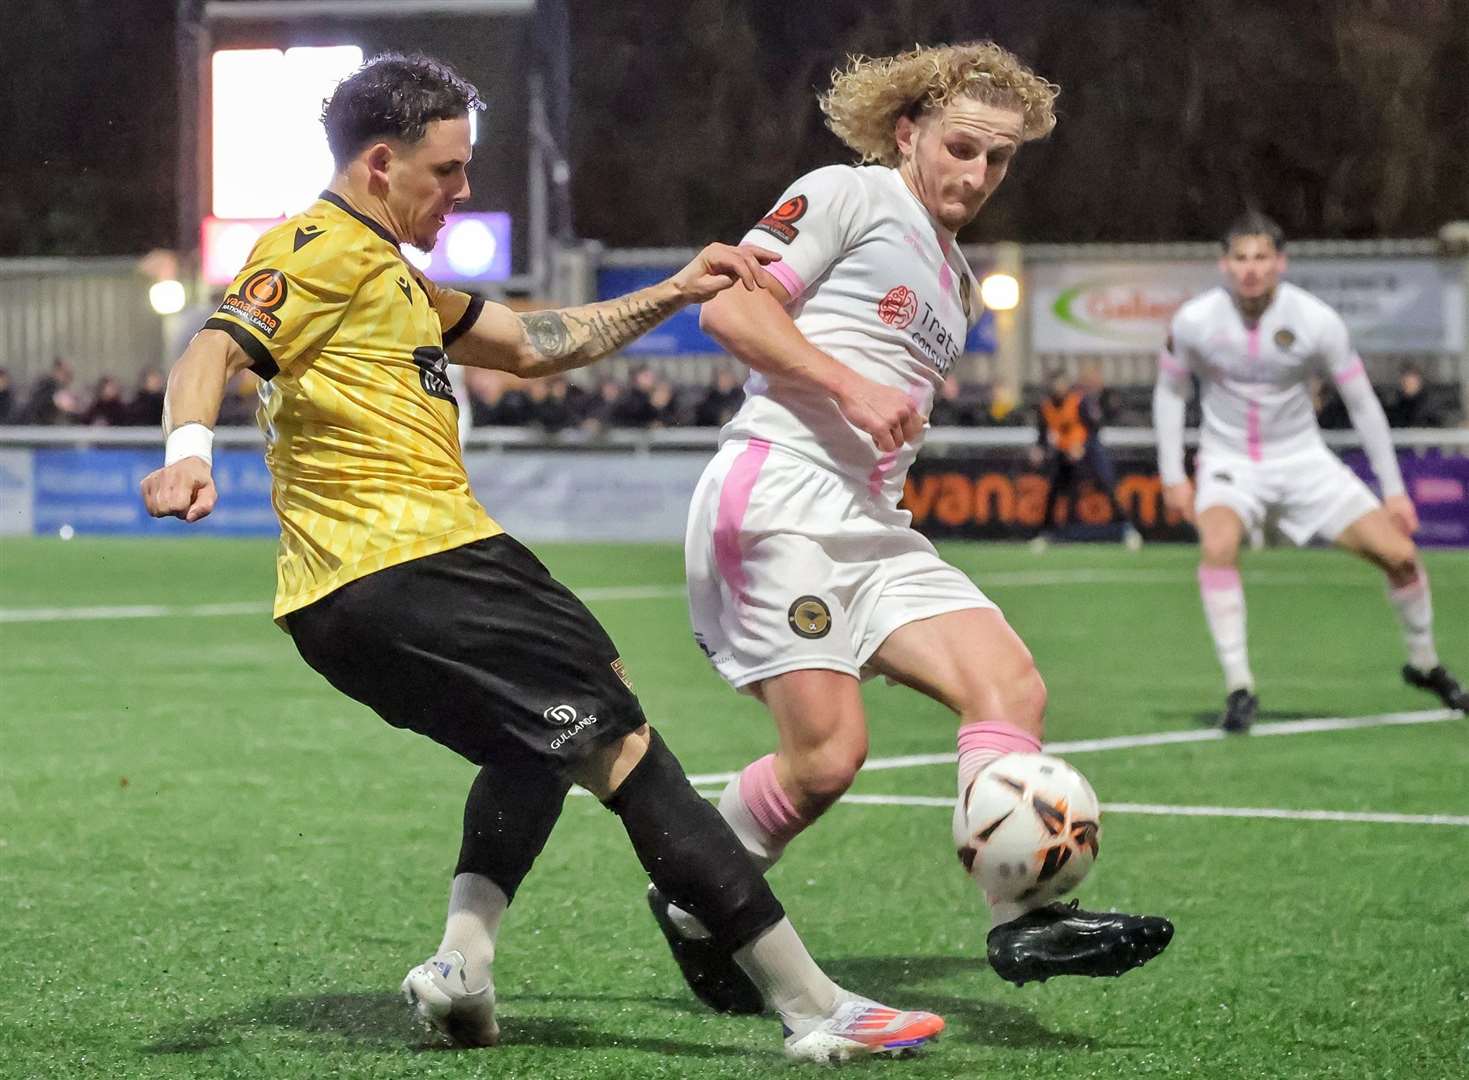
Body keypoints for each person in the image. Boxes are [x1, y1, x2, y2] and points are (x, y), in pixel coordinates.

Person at [138, 53, 943, 1063]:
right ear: (380, 164)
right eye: (448, 169)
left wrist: (673, 289)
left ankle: (461, 965)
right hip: (427, 563)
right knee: (621, 746)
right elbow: (211, 346)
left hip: (339, 605)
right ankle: (813, 1006)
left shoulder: (393, 279)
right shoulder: (313, 250)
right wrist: (186, 453)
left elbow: (531, 343)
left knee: (541, 740)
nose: (464, 188)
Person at [652, 41, 1173, 1015]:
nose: (976, 175)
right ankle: (688, 908)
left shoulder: (960, 281)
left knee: (1008, 682)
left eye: (999, 159)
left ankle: (1022, 915)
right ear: (907, 134)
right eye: (961, 148)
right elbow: (727, 307)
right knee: (826, 760)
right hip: (778, 500)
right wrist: (850, 386)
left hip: (871, 527)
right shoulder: (846, 195)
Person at [1154, 211, 1467, 732]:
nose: (1250, 269)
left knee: (1402, 557)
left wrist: (1394, 492)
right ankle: (1239, 687)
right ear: (1224, 265)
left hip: (1304, 462)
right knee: (1218, 547)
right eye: (1240, 258)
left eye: (1260, 258)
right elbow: (1170, 391)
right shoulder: (1194, 321)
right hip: (1230, 463)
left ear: (1280, 263)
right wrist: (1172, 474)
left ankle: (1425, 663)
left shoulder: (1316, 321)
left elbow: (1363, 405)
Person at [1385, 362, 1443, 428]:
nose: (1408, 384)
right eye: (1405, 381)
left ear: (1419, 381)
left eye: (1411, 382)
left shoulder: (1431, 407)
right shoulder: (1397, 406)